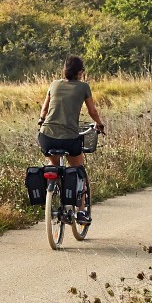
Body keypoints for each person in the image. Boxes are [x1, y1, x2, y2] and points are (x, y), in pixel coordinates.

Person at [38, 55, 104, 219]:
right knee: (77, 169)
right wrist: (99, 124)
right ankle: (81, 210)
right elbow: (92, 111)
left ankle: (51, 190)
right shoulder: (83, 87)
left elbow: (44, 110)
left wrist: (41, 120)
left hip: (46, 136)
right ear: (80, 72)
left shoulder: (54, 84)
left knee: (53, 163)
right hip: (69, 138)